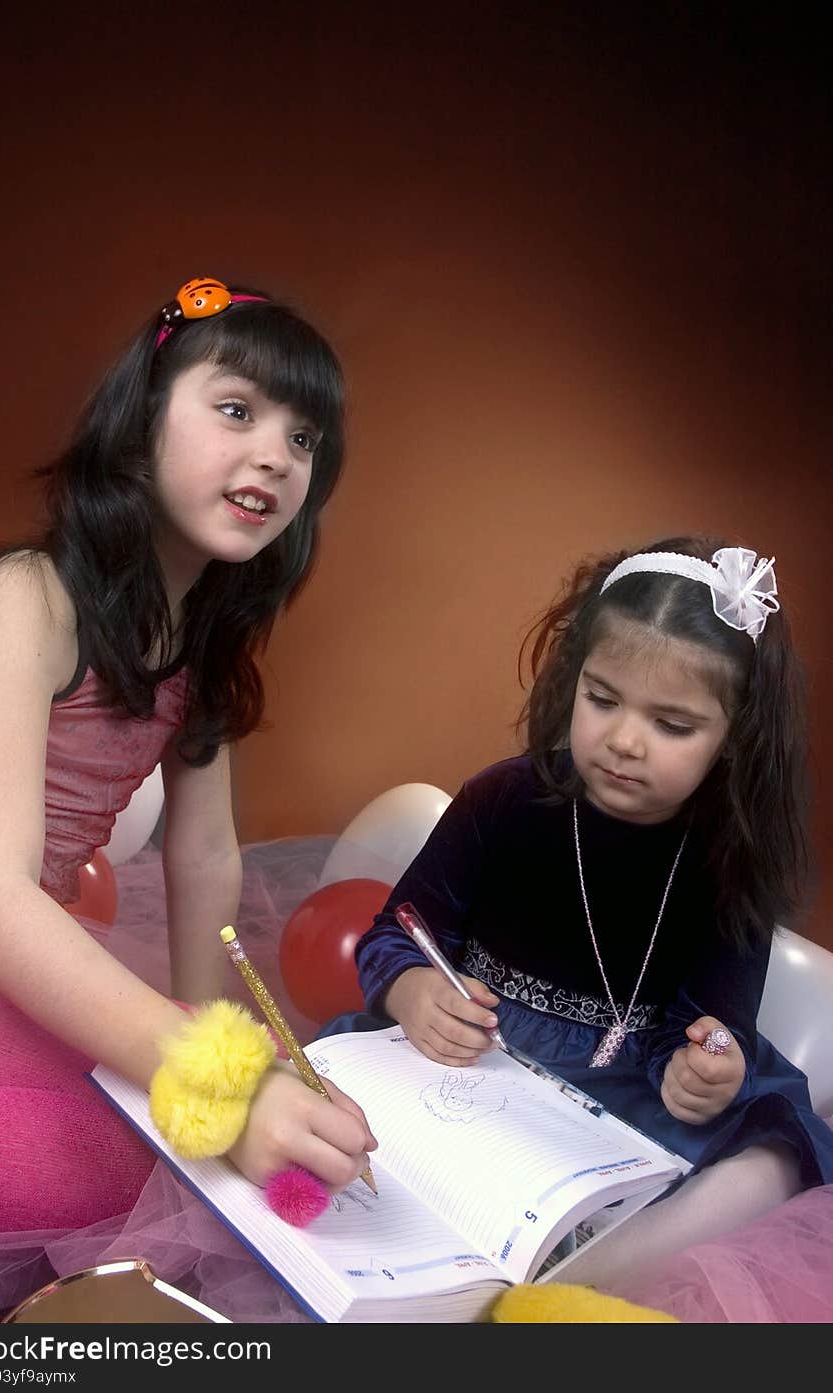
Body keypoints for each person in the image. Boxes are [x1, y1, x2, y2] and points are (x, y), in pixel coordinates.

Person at [0, 277, 376, 1245]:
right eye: (236, 410)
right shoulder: (31, 595)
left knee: (199, 1138)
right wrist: (204, 1071)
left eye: (304, 439)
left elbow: (206, 858)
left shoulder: (202, 639)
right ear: (142, 423)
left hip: (8, 939)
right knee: (95, 1167)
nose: (274, 453)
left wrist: (206, 1033)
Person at [335, 535, 833, 1285]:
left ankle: (563, 1294)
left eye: (672, 725)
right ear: (573, 681)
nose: (625, 740)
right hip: (480, 1057)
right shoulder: (501, 798)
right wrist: (412, 990)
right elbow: (394, 934)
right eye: (602, 699)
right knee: (336, 1119)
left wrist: (703, 1070)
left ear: (732, 740)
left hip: (627, 1086)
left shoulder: (728, 855)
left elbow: (712, 1023)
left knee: (769, 1158)